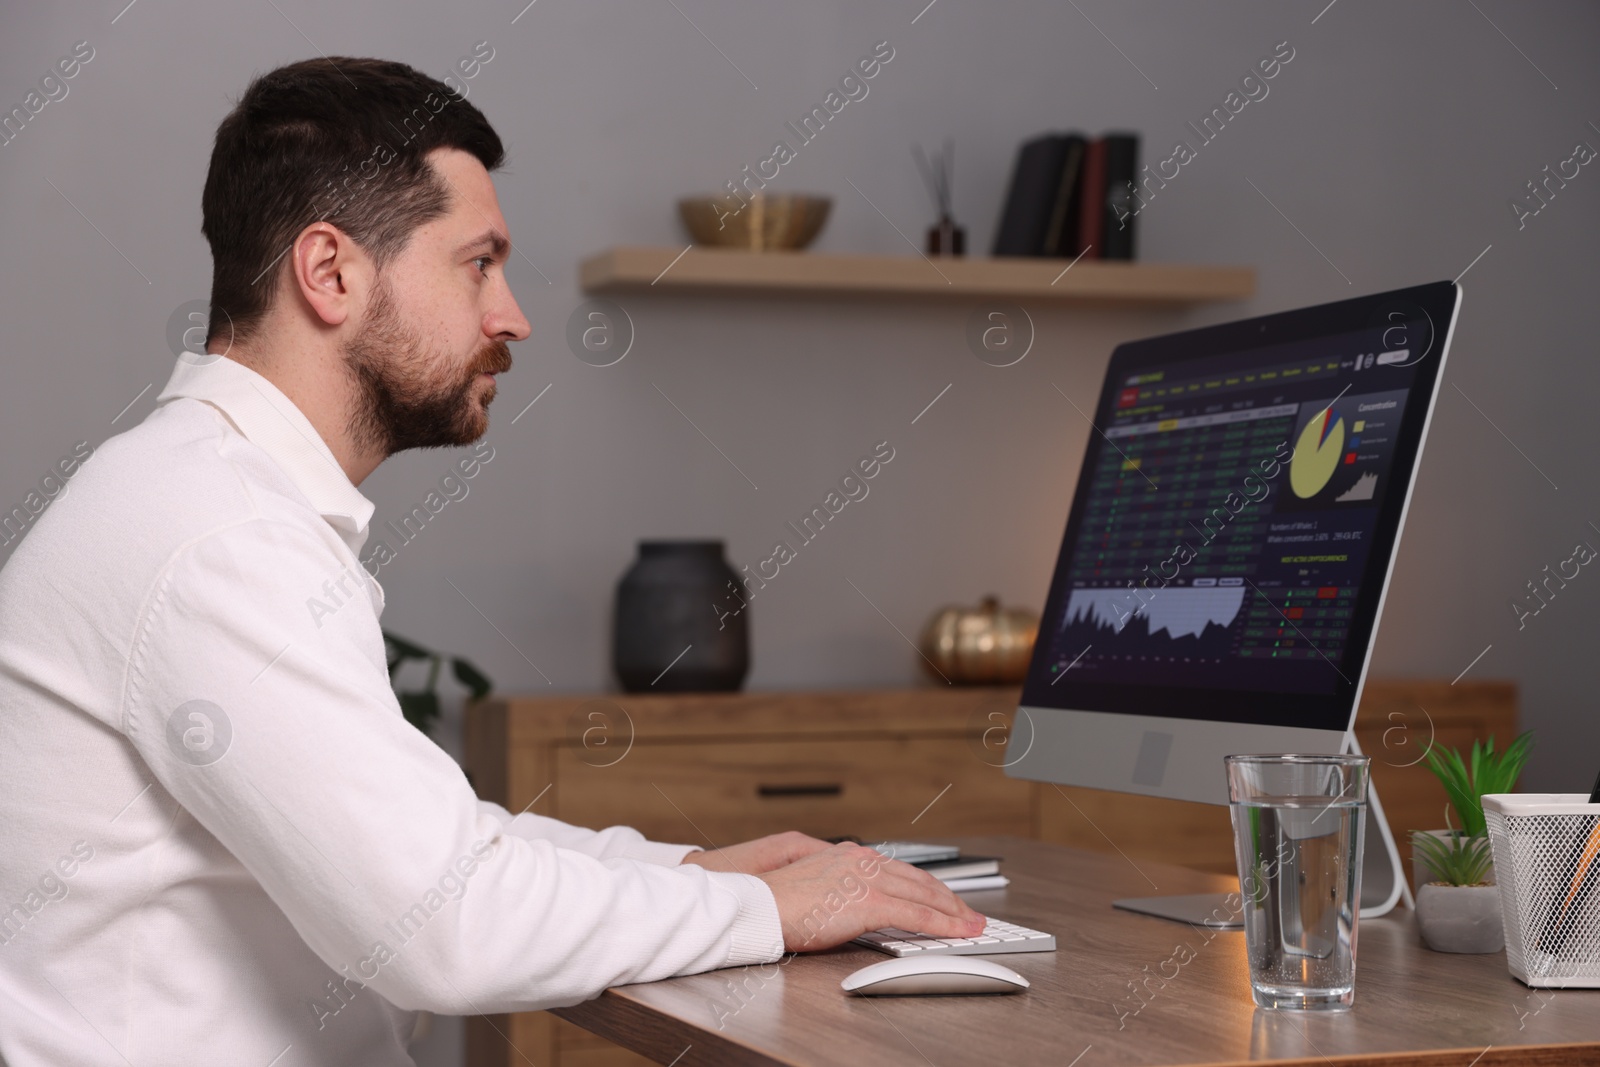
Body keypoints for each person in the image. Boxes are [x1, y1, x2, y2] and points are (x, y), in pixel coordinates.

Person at [0, 57, 982, 1066]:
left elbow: (436, 845)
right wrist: (756, 909)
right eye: (478, 263)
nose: (510, 315)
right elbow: (441, 922)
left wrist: (692, 870)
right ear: (329, 272)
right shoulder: (216, 536)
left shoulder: (202, 497)